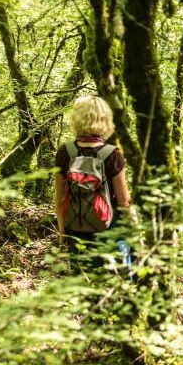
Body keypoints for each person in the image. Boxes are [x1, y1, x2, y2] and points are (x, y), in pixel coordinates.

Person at [54, 96, 132, 258]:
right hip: (110, 228)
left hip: (76, 228)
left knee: (82, 278)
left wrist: (63, 232)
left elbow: (60, 199)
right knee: (115, 279)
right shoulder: (112, 154)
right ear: (105, 120)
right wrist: (136, 234)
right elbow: (124, 202)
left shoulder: (65, 152)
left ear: (76, 119)